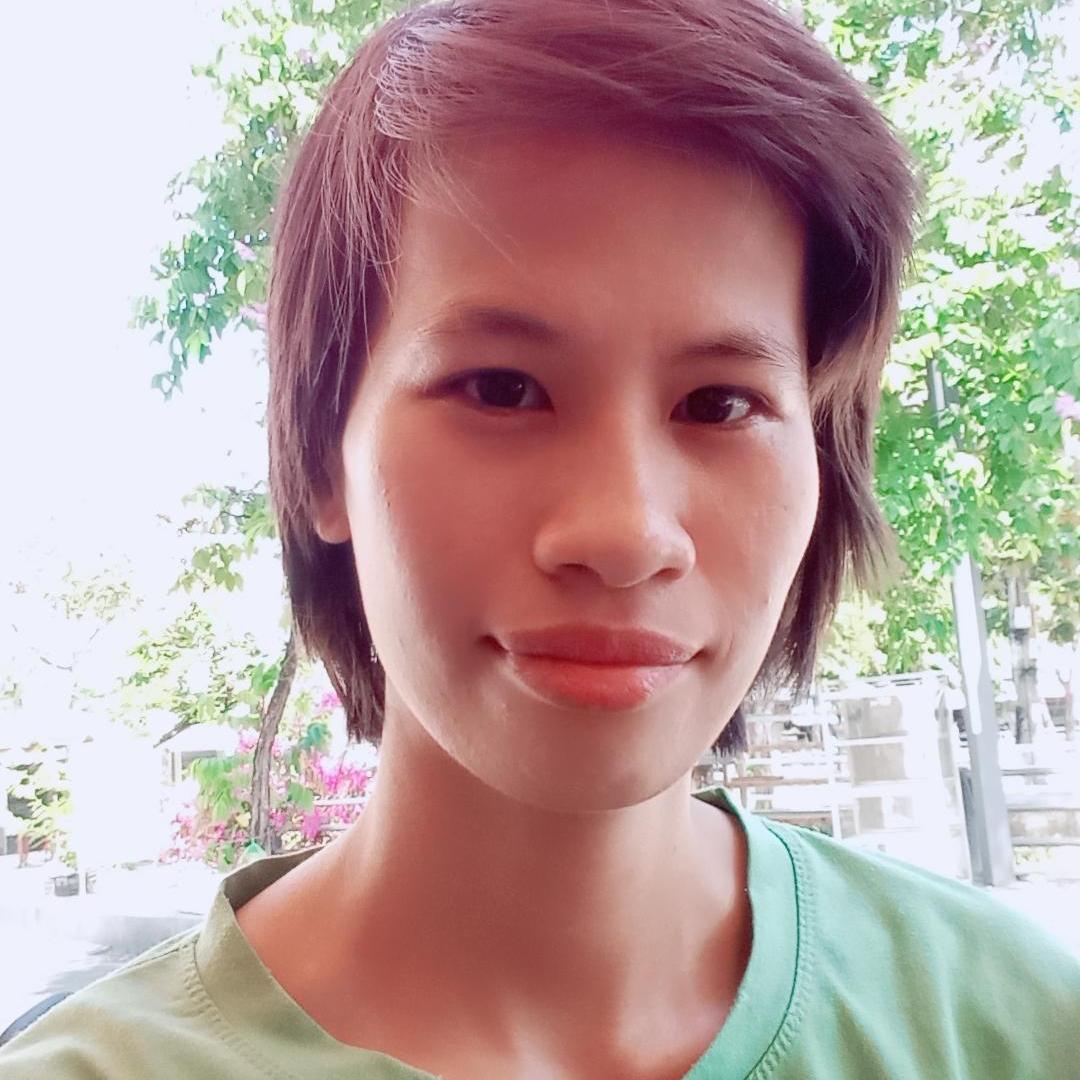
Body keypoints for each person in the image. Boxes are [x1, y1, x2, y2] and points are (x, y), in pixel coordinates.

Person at [3, 1, 1079, 1076]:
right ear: (324, 453)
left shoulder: (1013, 1024)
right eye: (502, 389)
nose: (625, 534)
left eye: (719, 404)